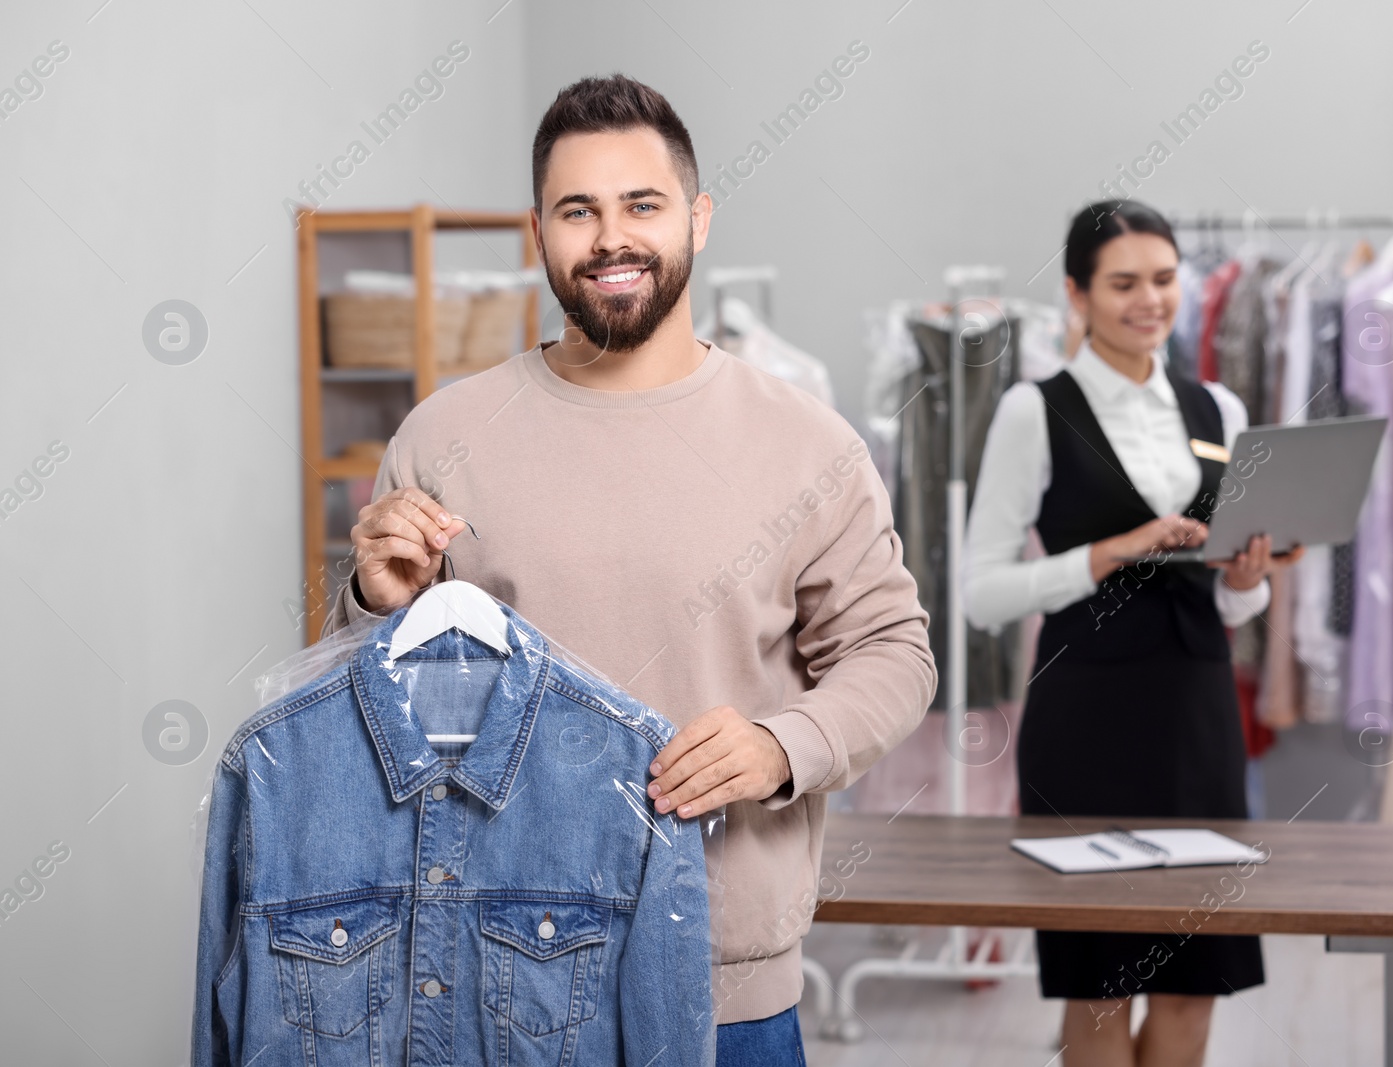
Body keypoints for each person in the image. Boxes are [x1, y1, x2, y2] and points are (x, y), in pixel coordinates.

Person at [323, 75, 936, 1064]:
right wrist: (368, 606)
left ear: (696, 217)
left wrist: (785, 743)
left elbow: (894, 653)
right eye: (579, 211)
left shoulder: (807, 444)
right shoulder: (442, 435)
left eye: (641, 205)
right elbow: (359, 715)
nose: (611, 239)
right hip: (489, 979)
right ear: (539, 232)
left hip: (723, 992)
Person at [962, 200, 1302, 1067]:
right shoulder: (1033, 412)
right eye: (1123, 283)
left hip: (1199, 717)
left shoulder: (1218, 407)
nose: (1149, 300)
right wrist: (1102, 555)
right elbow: (979, 594)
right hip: (1086, 722)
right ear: (1077, 293)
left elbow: (1232, 604)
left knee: (1195, 990)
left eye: (1162, 279)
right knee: (1103, 992)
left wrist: (1245, 582)